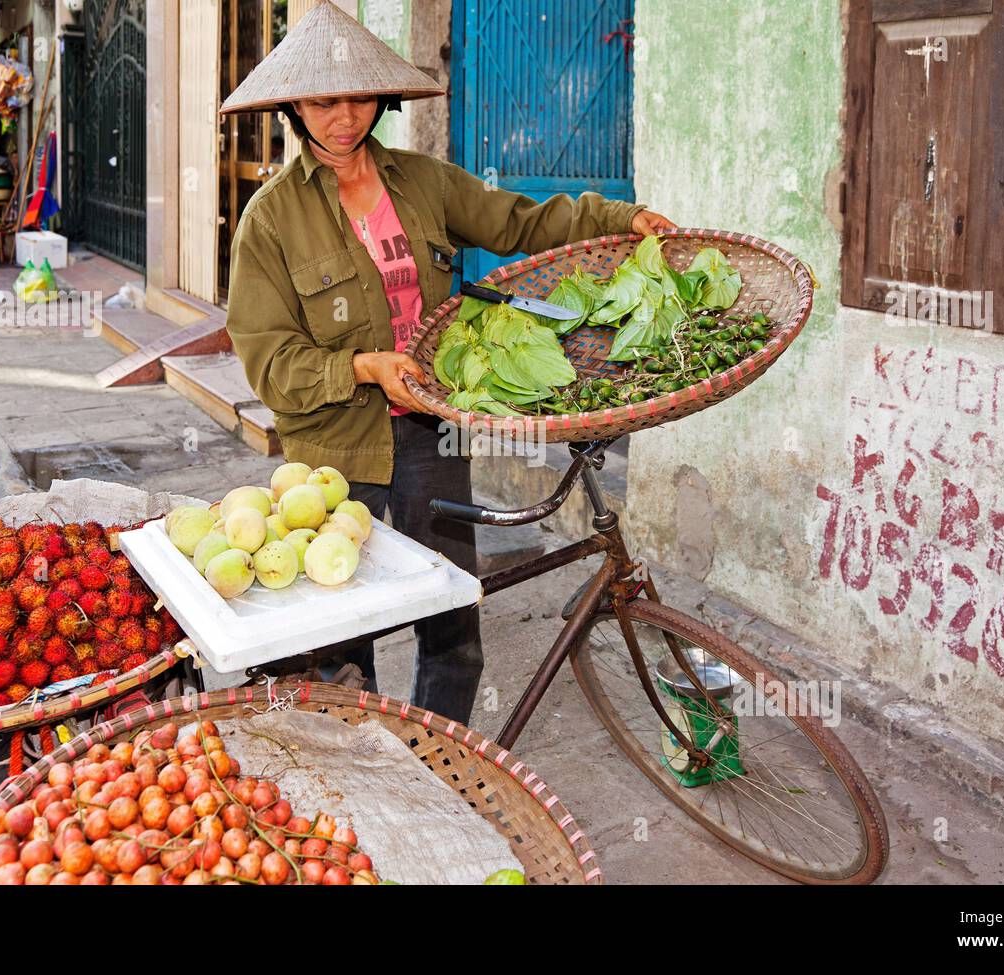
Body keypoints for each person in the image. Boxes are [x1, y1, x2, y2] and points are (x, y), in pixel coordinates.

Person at [221, 0, 675, 725]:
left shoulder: (424, 183)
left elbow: (519, 220)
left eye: (360, 97)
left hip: (434, 432)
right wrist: (365, 366)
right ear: (293, 108)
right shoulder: (270, 221)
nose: (344, 116)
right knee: (344, 640)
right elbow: (272, 365)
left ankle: (442, 770)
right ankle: (362, 791)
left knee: (454, 625)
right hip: (336, 451)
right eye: (323, 101)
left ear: (383, 98)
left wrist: (618, 218)